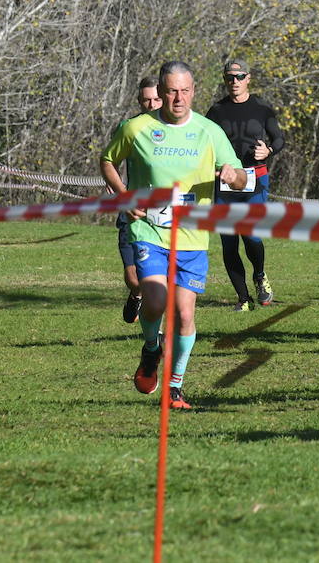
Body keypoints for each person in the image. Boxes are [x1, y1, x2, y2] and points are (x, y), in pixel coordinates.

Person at [100, 60, 246, 411]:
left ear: (193, 91)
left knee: (184, 315)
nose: (178, 98)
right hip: (149, 229)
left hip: (193, 238)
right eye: (171, 91)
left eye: (184, 91)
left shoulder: (210, 131)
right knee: (153, 301)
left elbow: (243, 178)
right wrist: (123, 194)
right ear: (161, 93)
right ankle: (151, 348)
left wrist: (232, 176)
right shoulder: (137, 128)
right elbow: (107, 160)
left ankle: (175, 386)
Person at [205, 59, 286, 311]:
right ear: (225, 80)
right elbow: (204, 142)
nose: (235, 82)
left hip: (255, 178)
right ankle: (243, 299)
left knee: (250, 234)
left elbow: (279, 138)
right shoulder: (216, 111)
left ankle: (260, 275)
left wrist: (269, 150)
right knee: (229, 240)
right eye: (230, 77)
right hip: (225, 180)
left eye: (239, 77)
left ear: (248, 78)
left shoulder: (262, 108)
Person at [116, 77, 162, 324]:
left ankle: (158, 333)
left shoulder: (176, 128)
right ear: (139, 101)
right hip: (132, 209)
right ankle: (136, 294)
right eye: (146, 100)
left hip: (163, 212)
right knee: (134, 277)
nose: (151, 104)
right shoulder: (128, 126)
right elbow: (110, 162)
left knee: (159, 279)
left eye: (156, 99)